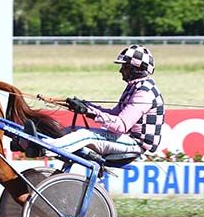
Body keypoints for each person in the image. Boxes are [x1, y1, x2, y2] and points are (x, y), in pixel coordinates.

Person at [23, 44, 165, 161]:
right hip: (127, 139)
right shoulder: (135, 87)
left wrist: (89, 112)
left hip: (136, 144)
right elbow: (114, 114)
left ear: (137, 69)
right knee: (71, 131)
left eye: (125, 67)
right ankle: (25, 143)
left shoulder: (144, 93)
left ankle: (44, 148)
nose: (121, 70)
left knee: (86, 135)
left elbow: (120, 125)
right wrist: (87, 107)